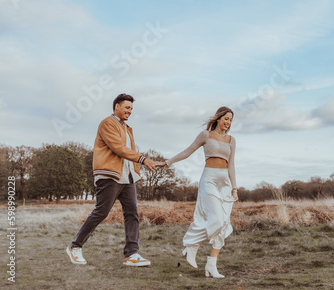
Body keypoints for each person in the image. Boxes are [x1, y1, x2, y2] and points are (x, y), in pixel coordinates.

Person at [66, 93, 161, 267]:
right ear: (116, 106)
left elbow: (127, 151)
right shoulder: (107, 124)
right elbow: (119, 148)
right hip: (110, 175)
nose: (130, 111)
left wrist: (136, 167)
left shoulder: (127, 128)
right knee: (101, 212)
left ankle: (131, 254)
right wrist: (144, 159)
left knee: (132, 213)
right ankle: (75, 246)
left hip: (127, 177)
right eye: (127, 107)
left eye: (131, 108)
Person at [160, 106, 238, 278]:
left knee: (224, 224)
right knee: (217, 219)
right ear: (218, 118)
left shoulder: (231, 140)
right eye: (226, 118)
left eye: (231, 120)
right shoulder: (206, 135)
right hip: (209, 178)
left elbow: (231, 165)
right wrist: (167, 163)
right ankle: (191, 244)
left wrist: (234, 187)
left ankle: (211, 265)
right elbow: (187, 152)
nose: (228, 122)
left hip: (224, 181)